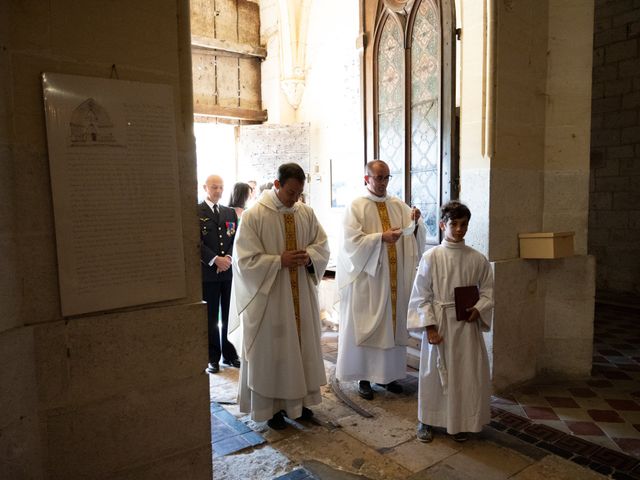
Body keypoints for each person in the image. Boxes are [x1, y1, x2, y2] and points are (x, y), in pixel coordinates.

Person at [228, 163, 330, 429]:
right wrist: (278, 261)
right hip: (269, 299)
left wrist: (310, 257)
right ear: (277, 184)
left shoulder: (305, 212)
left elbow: (322, 245)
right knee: (272, 353)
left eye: (299, 193)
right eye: (290, 193)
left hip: (301, 297)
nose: (295, 199)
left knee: (302, 348)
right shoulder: (254, 216)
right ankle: (272, 409)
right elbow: (243, 261)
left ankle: (301, 404)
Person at [336, 160, 426, 400]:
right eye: (379, 178)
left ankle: (388, 377)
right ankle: (364, 378)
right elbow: (349, 242)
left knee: (392, 326)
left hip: (395, 280)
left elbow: (413, 234)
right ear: (367, 179)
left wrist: (416, 222)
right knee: (368, 326)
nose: (384, 183)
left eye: (387, 177)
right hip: (369, 280)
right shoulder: (356, 206)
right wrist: (379, 238)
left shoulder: (397, 204)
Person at [407, 201, 494, 443]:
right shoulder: (431, 257)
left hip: (466, 326)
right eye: (453, 224)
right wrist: (430, 328)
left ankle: (462, 421)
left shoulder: (477, 258)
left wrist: (478, 309)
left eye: (463, 224)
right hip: (440, 325)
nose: (459, 229)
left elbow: (488, 292)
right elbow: (421, 296)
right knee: (433, 374)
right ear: (443, 225)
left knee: (466, 375)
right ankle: (427, 419)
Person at [199, 174, 240, 374]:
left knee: (229, 313)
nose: (218, 191)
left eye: (221, 187)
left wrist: (229, 259)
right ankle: (212, 357)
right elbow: (196, 243)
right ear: (205, 187)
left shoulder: (229, 213)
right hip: (209, 273)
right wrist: (215, 259)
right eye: (214, 187)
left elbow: (235, 240)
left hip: (228, 272)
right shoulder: (197, 212)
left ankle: (229, 353)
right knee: (211, 317)